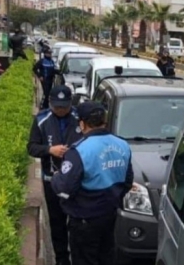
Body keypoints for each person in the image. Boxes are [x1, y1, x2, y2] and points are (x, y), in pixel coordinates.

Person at [51, 101, 134, 265]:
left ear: (82, 124)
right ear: (104, 121)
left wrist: (56, 177)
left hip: (84, 220)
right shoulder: (123, 145)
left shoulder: (79, 151)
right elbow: (127, 182)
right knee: (106, 258)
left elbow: (65, 189)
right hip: (109, 216)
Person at [27, 86, 82, 265]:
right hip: (52, 181)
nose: (61, 110)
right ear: (50, 103)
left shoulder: (80, 118)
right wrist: (50, 150)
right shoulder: (41, 119)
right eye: (57, 106)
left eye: (64, 106)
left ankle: (78, 257)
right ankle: (62, 259)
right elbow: (32, 147)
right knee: (57, 224)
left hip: (78, 182)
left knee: (77, 223)